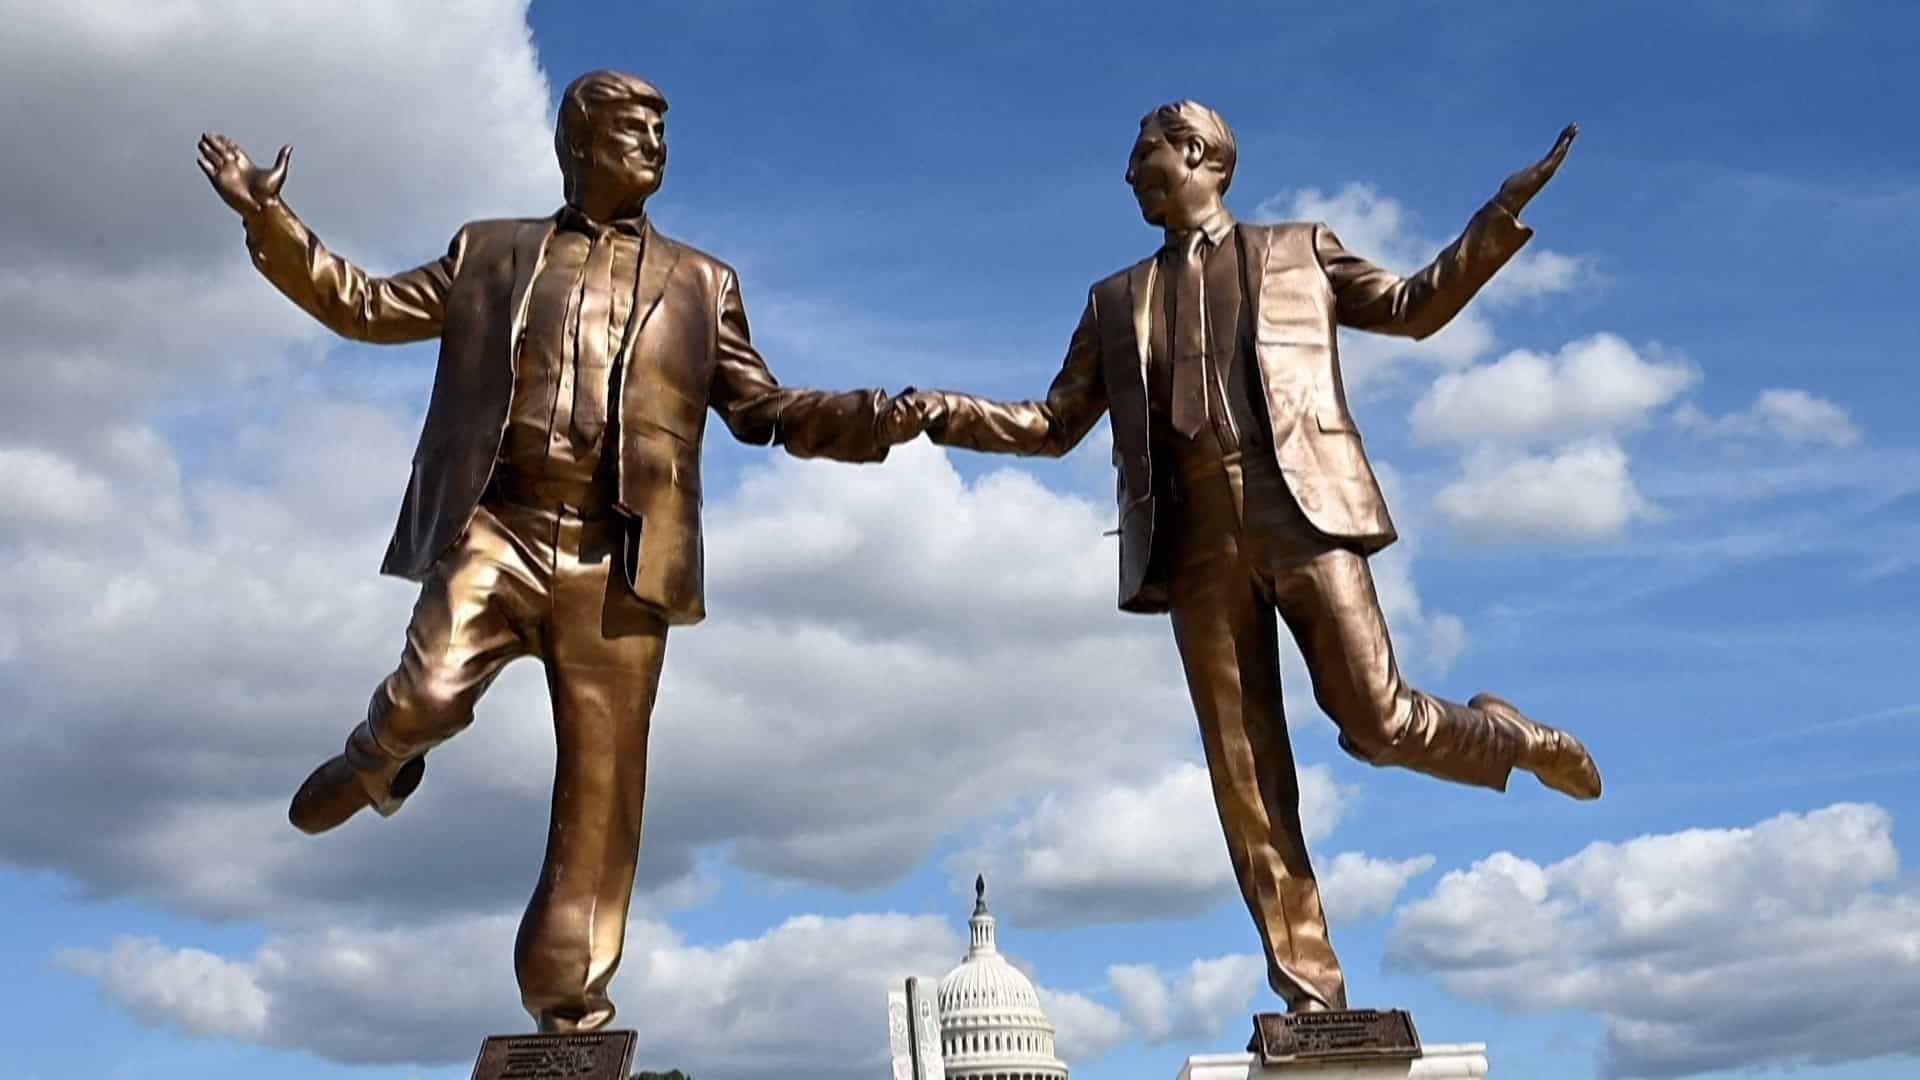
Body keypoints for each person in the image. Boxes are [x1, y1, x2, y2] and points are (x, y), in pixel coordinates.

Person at [197, 69, 912, 1032]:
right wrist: (271, 223)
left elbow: (761, 407)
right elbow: (364, 306)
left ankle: (568, 1006)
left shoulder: (703, 283)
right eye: (634, 128)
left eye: (663, 129)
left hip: (618, 562)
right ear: (579, 143)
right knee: (429, 692)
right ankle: (379, 759)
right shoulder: (488, 253)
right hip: (500, 527)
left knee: (601, 793)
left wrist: (861, 418)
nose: (655, 145)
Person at [882, 101, 1600, 1014]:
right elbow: (1053, 425)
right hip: (1192, 541)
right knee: (1246, 770)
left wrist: (1497, 220)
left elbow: (1414, 309)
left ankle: (1514, 737)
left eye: (1142, 156)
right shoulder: (1113, 302)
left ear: (1198, 155)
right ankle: (1313, 994)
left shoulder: (1299, 250)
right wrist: (941, 411)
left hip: (1300, 507)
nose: (1130, 175)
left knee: (1375, 721)